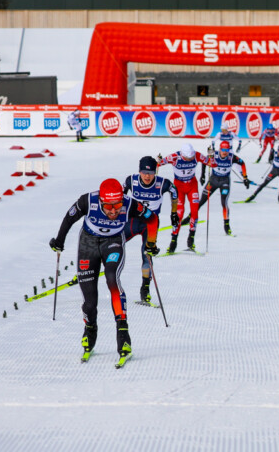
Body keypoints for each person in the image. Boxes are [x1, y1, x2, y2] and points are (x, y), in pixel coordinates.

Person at [48, 179, 159, 364]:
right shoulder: (88, 201)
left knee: (112, 279)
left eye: (117, 205)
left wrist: (151, 244)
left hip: (113, 241)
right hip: (88, 243)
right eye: (109, 206)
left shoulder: (129, 203)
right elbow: (69, 217)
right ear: (101, 201)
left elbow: (152, 218)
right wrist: (59, 241)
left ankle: (123, 334)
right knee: (89, 300)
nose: (114, 211)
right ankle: (90, 329)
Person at [122, 156, 179, 303]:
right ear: (139, 171)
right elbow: (121, 195)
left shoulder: (162, 183)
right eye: (144, 172)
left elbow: (174, 192)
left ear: (156, 172)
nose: (147, 176)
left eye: (151, 173)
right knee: (113, 242)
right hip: (133, 220)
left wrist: (174, 213)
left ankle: (145, 289)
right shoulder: (131, 181)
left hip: (151, 223)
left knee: (147, 254)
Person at [157, 143, 212, 253]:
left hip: (192, 185)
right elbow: (158, 164)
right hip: (179, 187)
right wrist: (158, 160)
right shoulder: (174, 157)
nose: (190, 159)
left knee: (195, 212)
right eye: (188, 157)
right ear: (182, 155)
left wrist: (211, 156)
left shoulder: (196, 155)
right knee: (179, 214)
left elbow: (211, 163)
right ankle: (174, 241)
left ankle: (191, 238)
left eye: (191, 157)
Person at [196, 140, 250, 236]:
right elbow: (204, 162)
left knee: (224, 203)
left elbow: (242, 163)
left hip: (224, 181)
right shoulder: (213, 155)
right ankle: (190, 217)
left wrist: (245, 178)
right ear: (220, 149)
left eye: (227, 149)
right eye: (223, 149)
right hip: (213, 180)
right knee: (202, 201)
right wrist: (202, 175)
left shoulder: (232, 157)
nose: (225, 152)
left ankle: (226, 226)